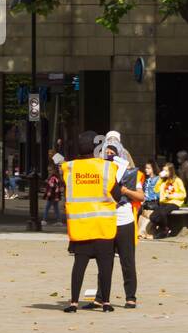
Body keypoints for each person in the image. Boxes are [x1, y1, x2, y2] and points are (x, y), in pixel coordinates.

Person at [61, 130, 124, 313]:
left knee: (79, 266)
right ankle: (105, 302)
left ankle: (73, 302)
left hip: (81, 227)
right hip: (103, 227)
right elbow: (118, 196)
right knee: (105, 266)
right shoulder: (106, 168)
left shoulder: (70, 168)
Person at [98, 143, 146, 308]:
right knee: (104, 261)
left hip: (124, 221)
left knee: (127, 260)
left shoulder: (131, 173)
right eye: (107, 153)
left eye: (113, 153)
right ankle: (101, 297)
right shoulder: (102, 172)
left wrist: (125, 191)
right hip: (106, 220)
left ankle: (130, 297)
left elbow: (141, 196)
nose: (109, 155)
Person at [150, 163, 187, 238]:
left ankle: (164, 230)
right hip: (163, 203)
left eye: (166, 170)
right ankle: (165, 228)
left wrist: (171, 196)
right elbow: (156, 190)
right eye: (163, 170)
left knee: (162, 213)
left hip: (174, 202)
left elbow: (183, 194)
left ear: (171, 171)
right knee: (152, 217)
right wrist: (160, 178)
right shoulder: (164, 181)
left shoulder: (177, 180)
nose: (164, 172)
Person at [138, 160, 159, 239]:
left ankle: (143, 232)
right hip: (146, 204)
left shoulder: (157, 179)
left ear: (153, 169)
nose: (146, 170)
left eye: (148, 168)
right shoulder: (147, 180)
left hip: (152, 203)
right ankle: (142, 232)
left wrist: (146, 199)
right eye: (146, 168)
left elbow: (157, 194)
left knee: (147, 214)